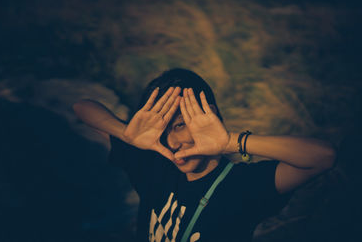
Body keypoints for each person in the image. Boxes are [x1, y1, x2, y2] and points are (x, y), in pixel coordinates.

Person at [73, 68, 336, 242]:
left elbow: (322, 157)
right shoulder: (152, 161)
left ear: (210, 115)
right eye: (163, 132)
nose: (173, 142)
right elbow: (82, 107)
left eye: (179, 126)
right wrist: (125, 133)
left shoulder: (242, 186)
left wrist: (230, 141)